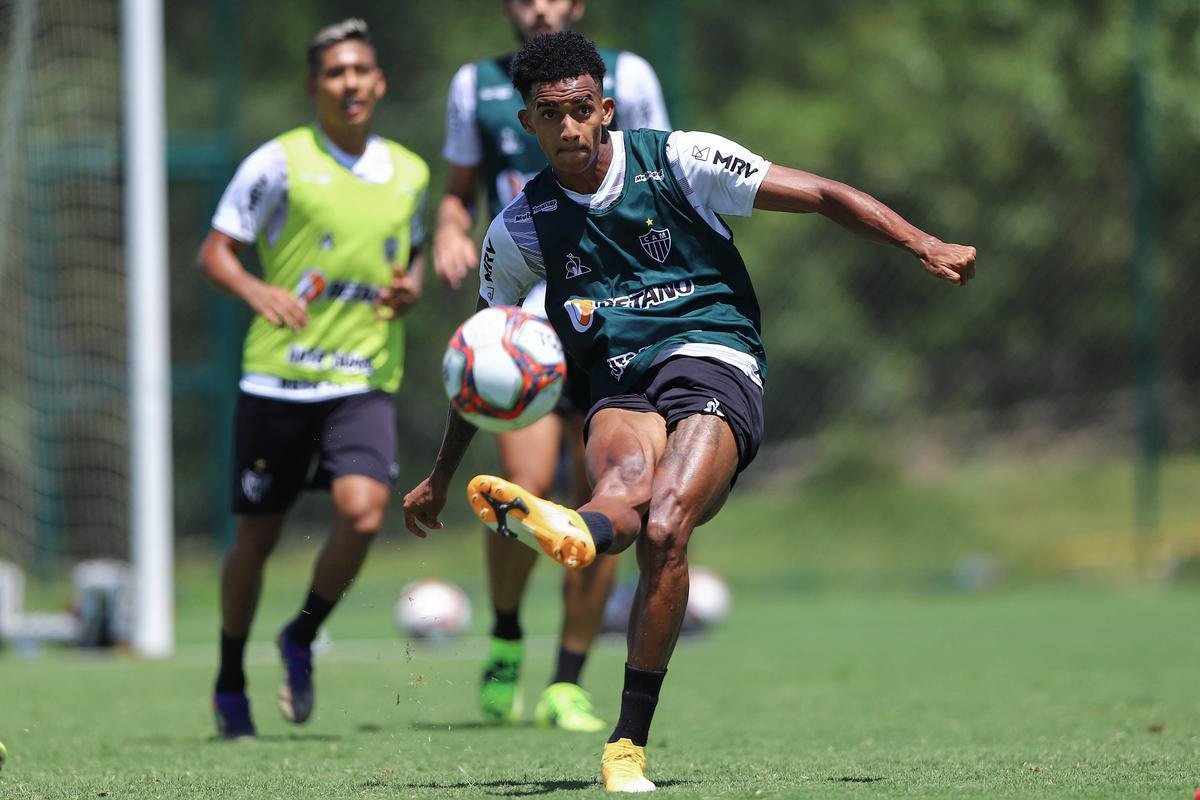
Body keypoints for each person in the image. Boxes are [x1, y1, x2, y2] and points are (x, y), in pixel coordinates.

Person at [403, 30, 975, 792]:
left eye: (581, 109)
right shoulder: (516, 231)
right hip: (618, 383)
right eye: (551, 113)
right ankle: (574, 529)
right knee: (619, 495)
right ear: (528, 125)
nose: (569, 126)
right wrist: (441, 475)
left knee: (667, 523)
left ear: (605, 108)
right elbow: (481, 362)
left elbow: (824, 196)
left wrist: (923, 242)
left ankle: (626, 743)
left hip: (715, 357)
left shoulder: (679, 159)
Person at [434, 0, 670, 732]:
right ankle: (506, 635)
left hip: (613, 307)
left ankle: (567, 677)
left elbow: (655, 166)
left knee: (603, 494)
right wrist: (449, 226)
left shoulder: (627, 75)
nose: (539, 5)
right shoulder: (475, 85)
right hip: (523, 327)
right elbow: (458, 190)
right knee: (525, 486)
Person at [198, 18, 430, 740]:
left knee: (364, 512)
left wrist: (412, 287)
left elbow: (414, 254)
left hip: (363, 374)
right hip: (279, 380)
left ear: (380, 81)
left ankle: (300, 637)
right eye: (335, 73)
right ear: (314, 87)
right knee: (257, 538)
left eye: (361, 70)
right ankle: (230, 674)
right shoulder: (279, 162)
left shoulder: (411, 172)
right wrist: (258, 293)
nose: (350, 83)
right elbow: (216, 253)